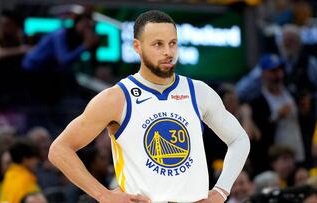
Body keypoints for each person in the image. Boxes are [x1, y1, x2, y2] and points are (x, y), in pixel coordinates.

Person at [48, 10, 250, 203]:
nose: (168, 52)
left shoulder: (198, 91)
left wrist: (221, 191)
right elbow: (59, 150)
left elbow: (239, 139)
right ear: (137, 46)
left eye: (173, 43)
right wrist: (103, 195)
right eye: (158, 45)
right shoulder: (116, 98)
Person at [0, 138, 41, 203]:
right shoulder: (25, 180)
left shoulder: (9, 175)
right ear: (25, 159)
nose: (37, 161)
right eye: (35, 158)